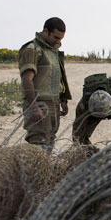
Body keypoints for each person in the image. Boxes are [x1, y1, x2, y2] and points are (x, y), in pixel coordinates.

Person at [18, 17, 72, 153]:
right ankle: (33, 174)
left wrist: (63, 100)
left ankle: (44, 172)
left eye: (61, 39)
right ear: (45, 31)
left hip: (54, 103)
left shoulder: (53, 51)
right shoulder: (32, 49)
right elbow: (27, 79)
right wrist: (34, 106)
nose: (58, 42)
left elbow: (58, 76)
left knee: (49, 141)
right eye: (56, 37)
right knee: (37, 144)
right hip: (40, 103)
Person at [72, 73, 111, 145]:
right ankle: (88, 151)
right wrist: (78, 146)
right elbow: (77, 130)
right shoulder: (83, 106)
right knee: (81, 138)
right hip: (93, 112)